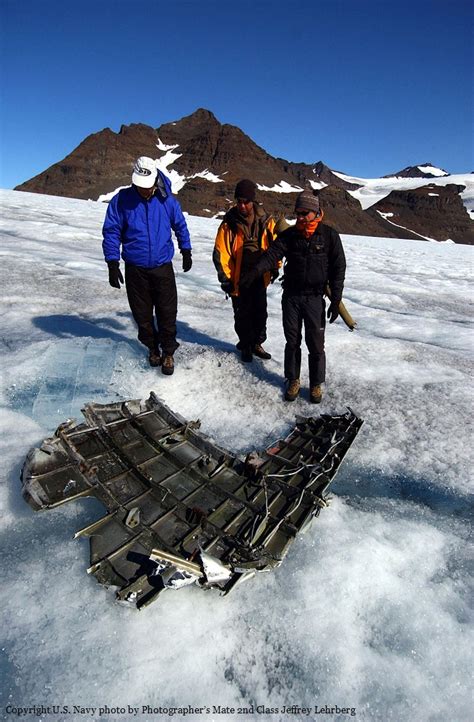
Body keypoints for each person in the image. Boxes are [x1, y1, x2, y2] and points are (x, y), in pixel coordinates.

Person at [240, 189, 346, 403]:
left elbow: (338, 268)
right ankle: (293, 379)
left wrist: (335, 300)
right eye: (297, 213)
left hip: (315, 298)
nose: (299, 217)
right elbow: (271, 255)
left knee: (316, 344)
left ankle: (315, 384)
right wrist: (254, 273)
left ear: (316, 213)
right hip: (292, 297)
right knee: (292, 341)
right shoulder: (289, 236)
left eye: (304, 213)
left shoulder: (329, 236)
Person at [102, 156, 192, 376]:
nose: (143, 190)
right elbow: (112, 231)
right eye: (138, 186)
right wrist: (112, 262)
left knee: (167, 312)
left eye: (146, 186)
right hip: (135, 268)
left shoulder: (167, 200)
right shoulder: (122, 200)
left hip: (162, 266)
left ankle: (168, 351)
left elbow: (180, 224)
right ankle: (152, 348)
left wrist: (186, 249)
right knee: (142, 314)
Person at [213, 179, 278, 362]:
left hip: (259, 275)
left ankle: (257, 343)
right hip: (238, 276)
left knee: (260, 312)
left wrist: (275, 267)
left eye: (246, 201)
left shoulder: (265, 221)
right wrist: (225, 278)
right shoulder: (229, 224)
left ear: (253, 201)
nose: (242, 205)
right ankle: (246, 344)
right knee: (242, 314)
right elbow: (221, 252)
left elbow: (275, 247)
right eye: (239, 201)